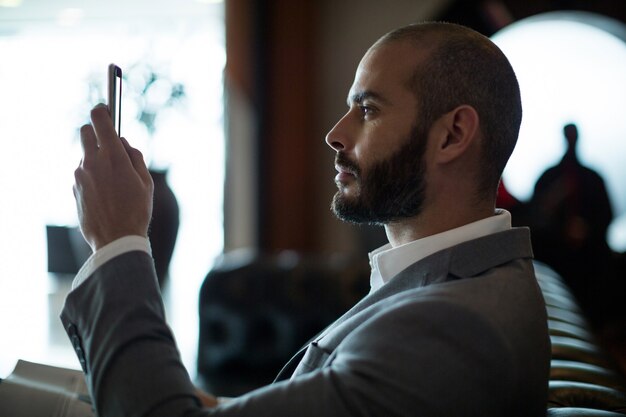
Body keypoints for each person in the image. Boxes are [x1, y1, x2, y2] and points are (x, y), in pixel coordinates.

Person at [62, 22, 550, 416]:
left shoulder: (451, 330)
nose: (335, 134)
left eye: (368, 109)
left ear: (453, 135)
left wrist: (117, 239)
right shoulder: (461, 284)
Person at [530, 123, 614, 321]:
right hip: (557, 253)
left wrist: (586, 230)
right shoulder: (550, 178)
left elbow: (607, 215)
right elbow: (535, 216)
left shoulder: (592, 178)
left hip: (589, 253)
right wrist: (562, 230)